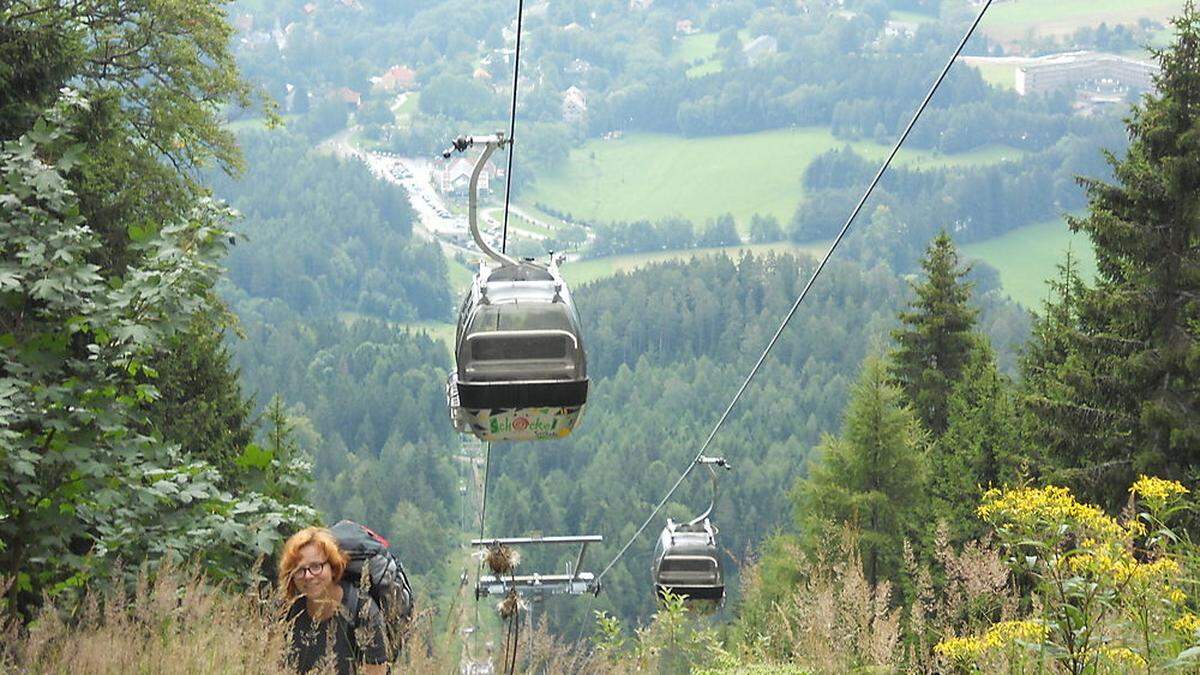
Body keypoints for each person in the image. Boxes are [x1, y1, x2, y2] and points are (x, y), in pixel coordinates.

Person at [279, 527, 389, 675]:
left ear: (333, 567)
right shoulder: (290, 613)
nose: (308, 576)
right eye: (300, 570)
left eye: (316, 566)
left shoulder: (363, 611)